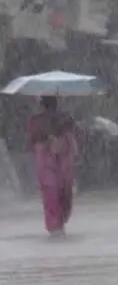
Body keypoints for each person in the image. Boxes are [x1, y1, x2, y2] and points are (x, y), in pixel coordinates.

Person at [27, 96, 78, 238]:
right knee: (55, 192)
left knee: (56, 192)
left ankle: (57, 224)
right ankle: (56, 225)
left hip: (56, 161)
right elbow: (33, 139)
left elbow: (31, 141)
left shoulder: (64, 119)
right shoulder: (38, 121)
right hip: (51, 161)